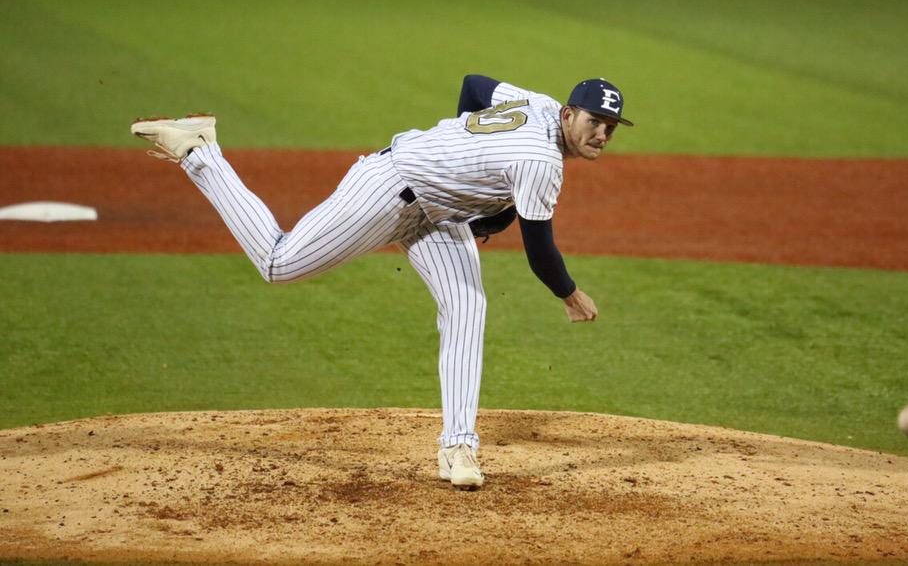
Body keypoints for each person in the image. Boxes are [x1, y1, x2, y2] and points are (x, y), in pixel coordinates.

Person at [130, 75, 633, 490]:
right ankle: (200, 153)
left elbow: (476, 87)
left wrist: (457, 154)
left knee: (467, 307)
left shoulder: (538, 104)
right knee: (279, 263)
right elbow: (540, 252)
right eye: (594, 122)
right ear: (569, 115)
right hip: (386, 188)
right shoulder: (542, 162)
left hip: (435, 213)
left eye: (610, 127)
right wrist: (569, 293)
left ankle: (459, 448)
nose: (601, 134)